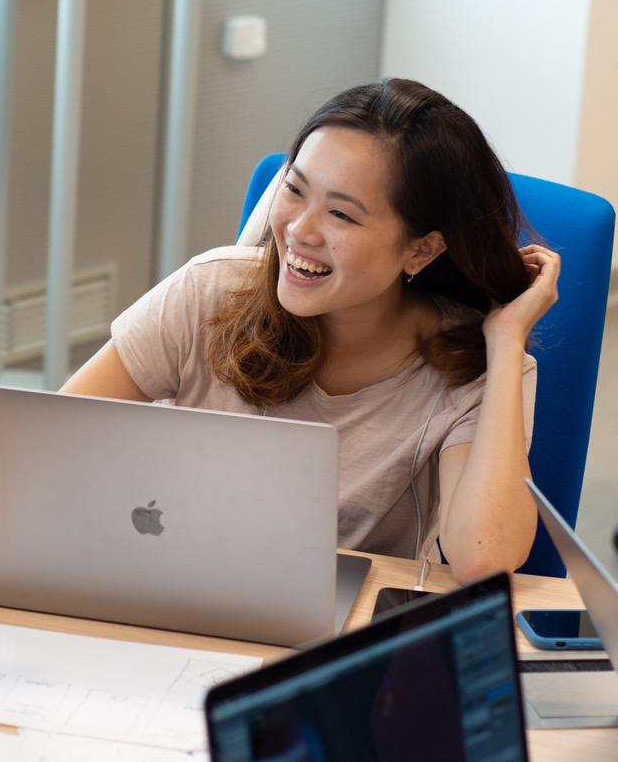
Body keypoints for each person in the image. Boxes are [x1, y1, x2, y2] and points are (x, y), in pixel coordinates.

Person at [63, 78, 558, 583]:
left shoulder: (471, 363)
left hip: (337, 642)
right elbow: (55, 442)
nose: (300, 230)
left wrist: (506, 339)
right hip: (174, 586)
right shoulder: (209, 292)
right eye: (295, 190)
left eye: (341, 214)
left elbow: (484, 558)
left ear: (422, 250)